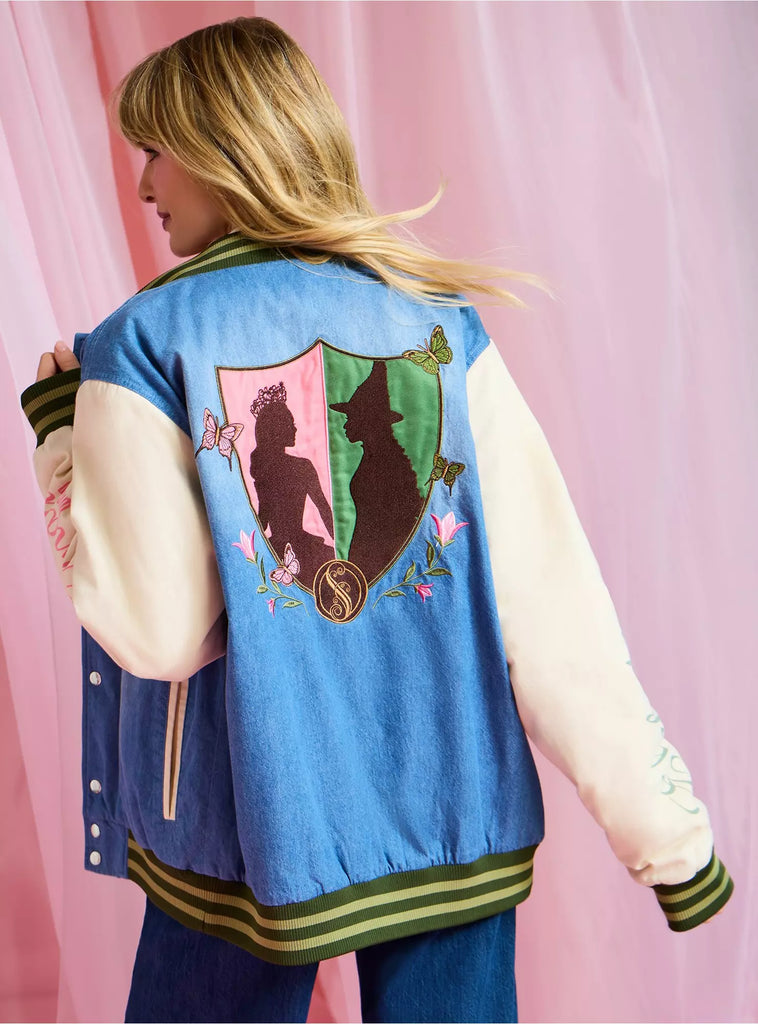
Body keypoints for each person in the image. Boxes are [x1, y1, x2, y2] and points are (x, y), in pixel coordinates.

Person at [21, 16, 733, 1024]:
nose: (142, 185)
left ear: (222, 147)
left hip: (241, 827)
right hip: (453, 810)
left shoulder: (145, 339)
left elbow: (156, 633)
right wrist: (670, 841)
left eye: (155, 150)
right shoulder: (436, 322)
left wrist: (61, 431)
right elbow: (554, 612)